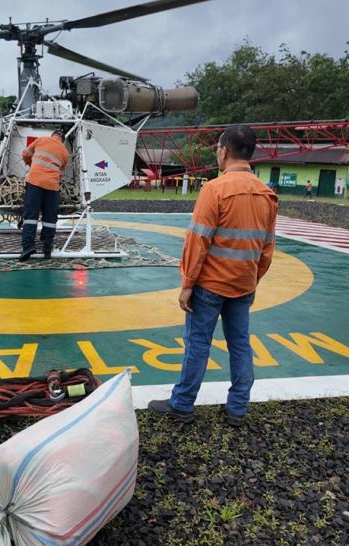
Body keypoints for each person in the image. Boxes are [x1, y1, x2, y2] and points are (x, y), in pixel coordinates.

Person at [148, 125, 278, 427]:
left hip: (209, 285)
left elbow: (198, 241)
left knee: (198, 344)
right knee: (241, 344)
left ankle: (182, 404)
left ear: (224, 151)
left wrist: (187, 285)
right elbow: (267, 249)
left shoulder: (214, 190)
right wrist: (252, 280)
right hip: (243, 285)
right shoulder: (267, 195)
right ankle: (237, 408)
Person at [19, 129, 70, 261]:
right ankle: (47, 247)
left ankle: (28, 247)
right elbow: (61, 170)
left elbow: (25, 154)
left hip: (34, 181)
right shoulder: (65, 153)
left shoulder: (41, 140)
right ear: (62, 140)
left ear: (52, 135)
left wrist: (32, 164)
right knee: (50, 218)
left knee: (31, 215)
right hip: (52, 187)